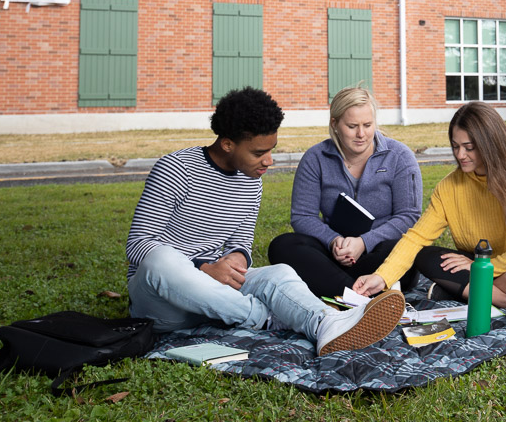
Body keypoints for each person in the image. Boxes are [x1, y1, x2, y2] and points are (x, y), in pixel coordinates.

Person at [125, 87, 405, 355]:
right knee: (160, 259)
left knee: (279, 272)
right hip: (164, 303)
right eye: (259, 153)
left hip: (220, 294)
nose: (269, 161)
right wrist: (204, 268)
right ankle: (265, 317)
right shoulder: (175, 169)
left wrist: (237, 257)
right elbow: (138, 245)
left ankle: (326, 323)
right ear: (227, 144)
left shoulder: (251, 182)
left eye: (271, 150)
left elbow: (240, 243)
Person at [353, 101, 506, 308]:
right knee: (425, 256)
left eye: (469, 148)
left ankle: (469, 291)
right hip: (477, 263)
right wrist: (381, 277)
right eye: (455, 146)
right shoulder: (448, 188)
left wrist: (479, 268)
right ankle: (503, 299)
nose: (460, 155)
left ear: (490, 144)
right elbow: (416, 238)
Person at [267, 86, 423, 297]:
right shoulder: (316, 158)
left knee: (403, 249)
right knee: (282, 246)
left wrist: (364, 243)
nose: (361, 134)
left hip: (380, 255)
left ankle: (340, 291)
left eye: (368, 125)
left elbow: (409, 216)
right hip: (334, 255)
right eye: (352, 126)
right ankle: (362, 298)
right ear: (335, 124)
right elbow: (303, 216)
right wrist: (333, 241)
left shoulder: (400, 156)